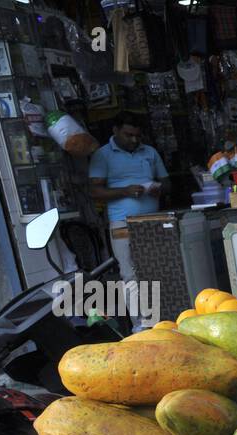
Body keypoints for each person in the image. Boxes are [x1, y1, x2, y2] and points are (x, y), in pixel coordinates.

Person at [88, 112, 170, 323]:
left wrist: (158, 188)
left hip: (152, 221)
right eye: (128, 135)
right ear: (115, 131)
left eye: (137, 136)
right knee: (130, 273)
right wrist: (125, 191)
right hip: (122, 224)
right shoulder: (102, 155)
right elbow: (95, 192)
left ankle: (165, 318)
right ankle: (140, 324)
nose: (134, 140)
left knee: (157, 269)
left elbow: (167, 183)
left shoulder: (149, 152)